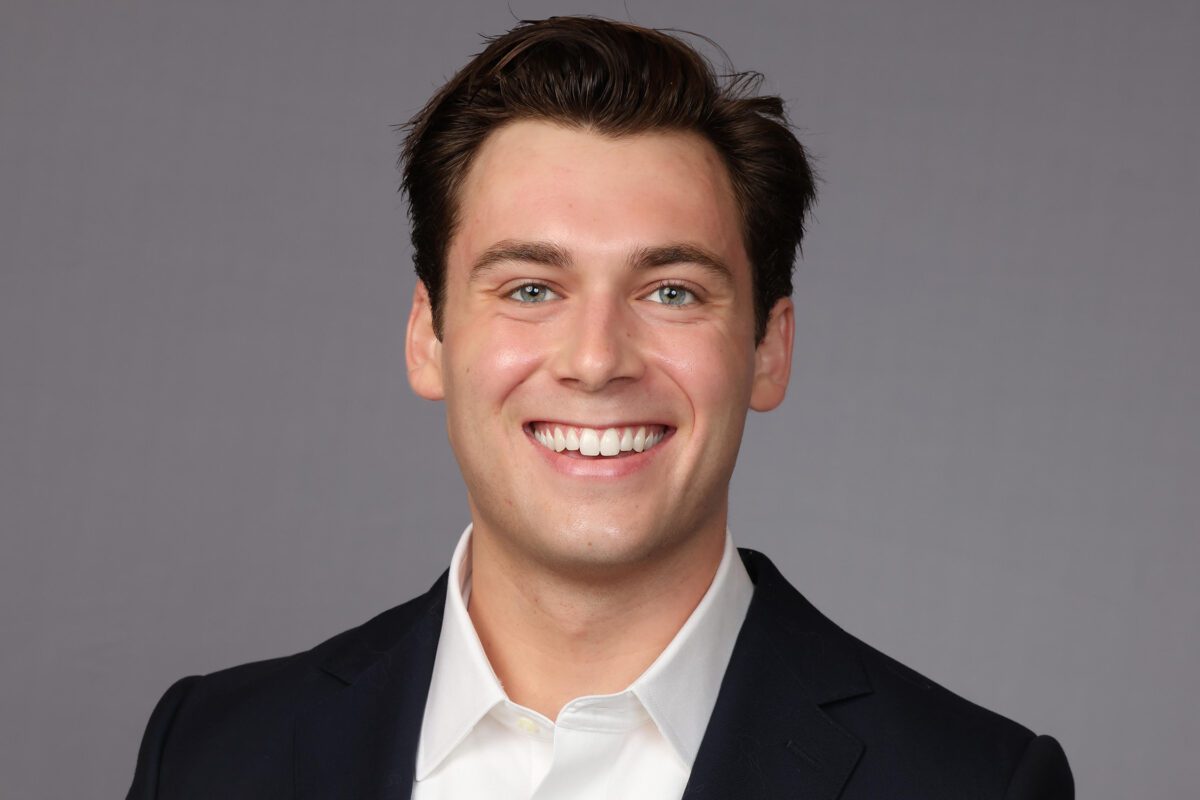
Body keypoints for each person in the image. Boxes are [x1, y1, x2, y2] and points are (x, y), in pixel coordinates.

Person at [126, 16, 1073, 799]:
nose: (595, 360)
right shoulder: (209, 756)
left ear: (769, 350)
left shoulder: (975, 782)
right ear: (429, 336)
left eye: (671, 291)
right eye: (531, 288)